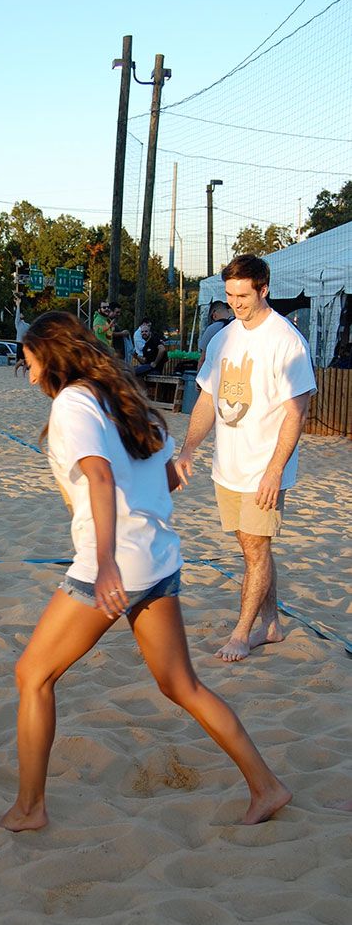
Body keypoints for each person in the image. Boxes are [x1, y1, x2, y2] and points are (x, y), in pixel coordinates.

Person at [0, 311, 291, 831]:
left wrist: (106, 562)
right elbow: (167, 480)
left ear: (51, 355)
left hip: (115, 563)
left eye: (30, 358)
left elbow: (100, 477)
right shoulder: (124, 398)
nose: (28, 368)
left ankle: (29, 808)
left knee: (32, 674)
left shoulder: (74, 402)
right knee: (182, 684)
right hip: (158, 559)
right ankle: (266, 787)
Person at [174, 254, 316, 663]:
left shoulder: (286, 341)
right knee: (252, 549)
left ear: (263, 289)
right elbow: (206, 398)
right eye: (230, 294)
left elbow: (297, 412)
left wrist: (274, 472)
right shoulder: (223, 338)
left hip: (263, 470)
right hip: (227, 467)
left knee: (255, 549)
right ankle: (271, 624)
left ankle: (243, 632)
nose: (235, 303)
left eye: (243, 295)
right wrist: (188, 449)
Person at [196, 300, 232, 372]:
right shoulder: (239, 325)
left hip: (217, 373)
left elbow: (202, 359)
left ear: (214, 315)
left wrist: (198, 379)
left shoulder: (211, 329)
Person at [14, 295, 30, 366]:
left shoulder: (27, 325)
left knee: (25, 359)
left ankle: (24, 371)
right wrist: (18, 305)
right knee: (20, 359)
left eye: (21, 314)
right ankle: (16, 370)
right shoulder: (18, 323)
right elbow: (17, 314)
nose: (20, 314)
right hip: (19, 343)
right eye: (20, 314)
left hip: (25, 343)